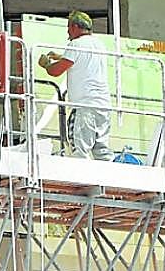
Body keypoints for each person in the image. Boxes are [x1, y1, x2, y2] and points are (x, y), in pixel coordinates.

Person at [37, 10, 114, 161]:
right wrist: (60, 56)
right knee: (102, 151)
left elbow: (56, 71)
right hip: (103, 106)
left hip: (85, 106)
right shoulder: (99, 44)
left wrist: (46, 64)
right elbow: (81, 60)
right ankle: (105, 182)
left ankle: (81, 182)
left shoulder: (76, 44)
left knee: (79, 149)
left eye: (68, 28)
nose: (67, 32)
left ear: (74, 26)